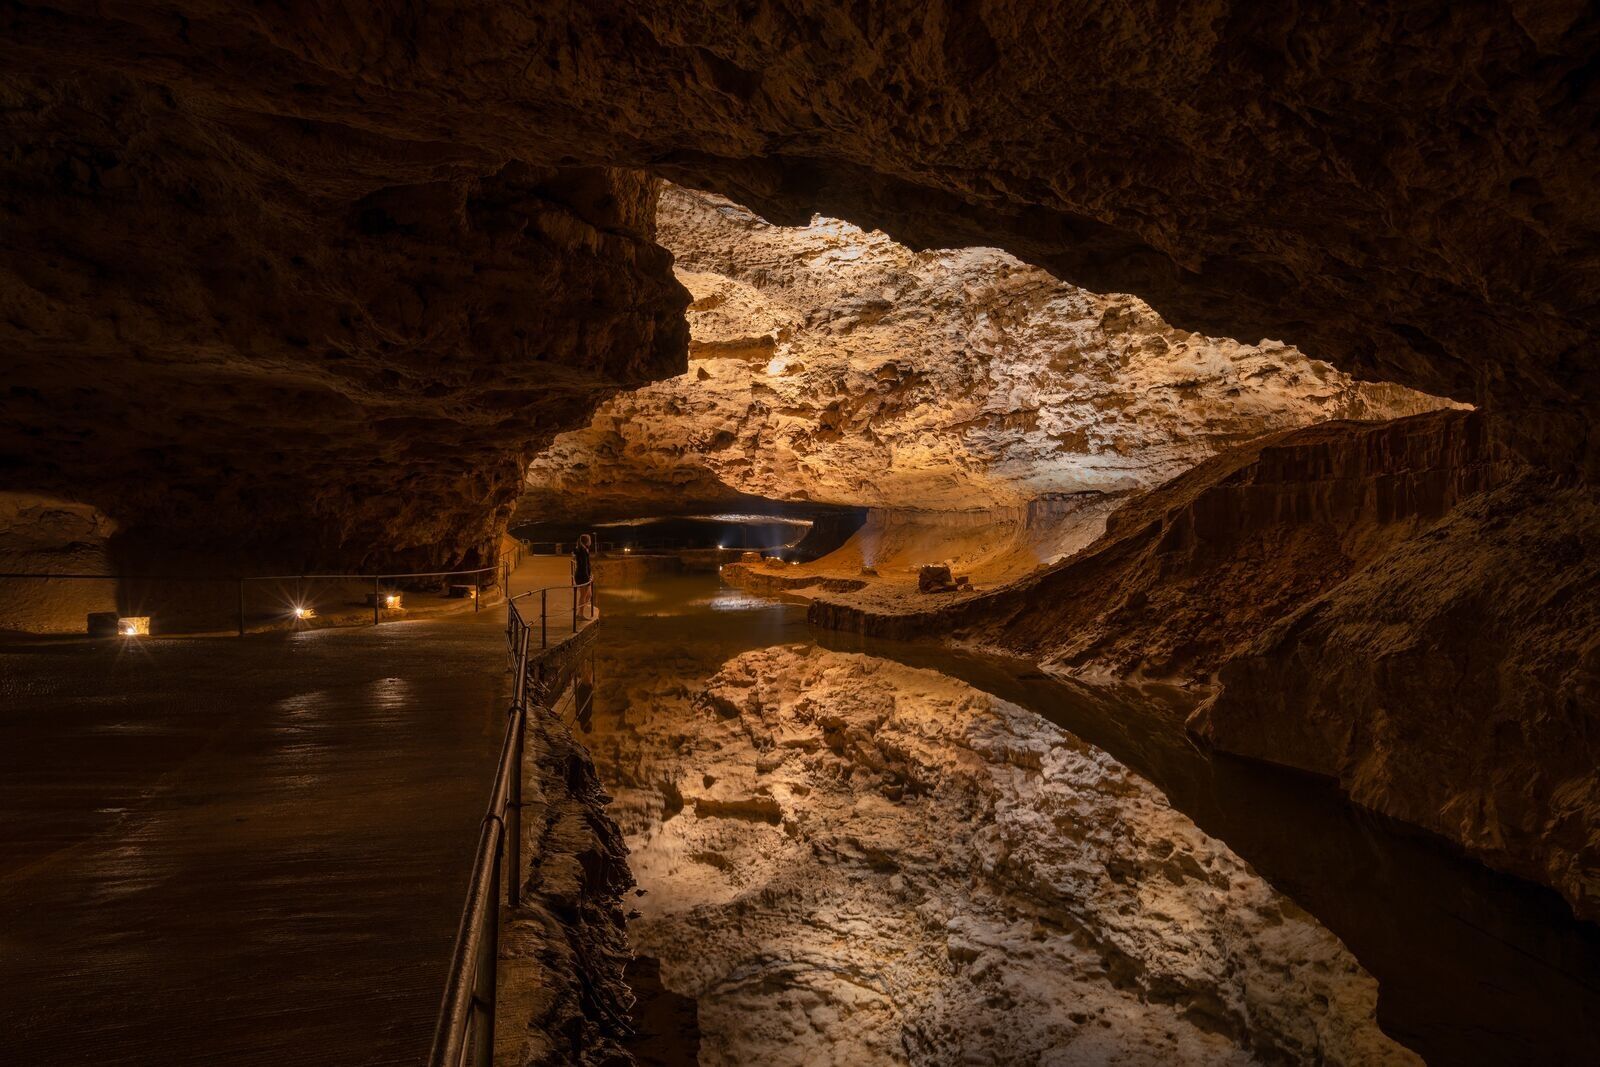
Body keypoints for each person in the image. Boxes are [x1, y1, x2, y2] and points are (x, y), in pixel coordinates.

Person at [572, 533, 594, 619]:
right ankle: (580, 614)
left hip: (582, 575)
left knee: (589, 595)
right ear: (587, 541)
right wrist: (587, 577)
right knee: (583, 595)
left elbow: (586, 565)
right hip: (582, 576)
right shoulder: (583, 551)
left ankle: (580, 611)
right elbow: (584, 566)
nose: (591, 542)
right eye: (590, 540)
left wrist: (590, 574)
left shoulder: (584, 550)